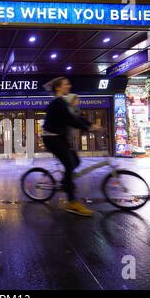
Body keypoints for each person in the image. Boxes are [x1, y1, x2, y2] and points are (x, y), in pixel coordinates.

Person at [42, 77, 101, 217]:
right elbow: (71, 120)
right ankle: (72, 202)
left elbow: (76, 117)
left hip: (60, 137)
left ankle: (65, 183)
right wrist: (88, 127)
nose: (69, 85)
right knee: (69, 164)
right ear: (58, 88)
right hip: (51, 138)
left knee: (76, 161)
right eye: (66, 84)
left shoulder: (64, 102)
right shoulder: (58, 103)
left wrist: (89, 125)